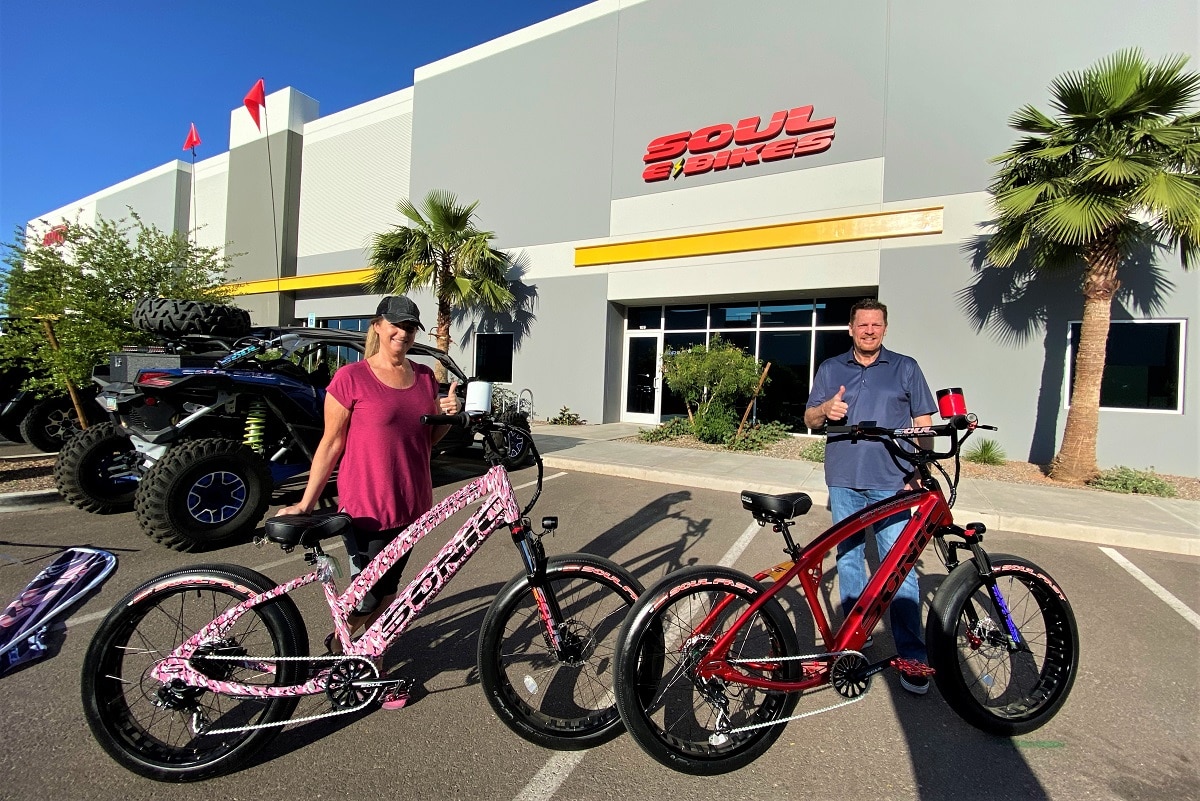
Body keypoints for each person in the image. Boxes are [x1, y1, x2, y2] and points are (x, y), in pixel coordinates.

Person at [276, 295, 461, 707]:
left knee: (390, 589)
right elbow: (330, 443)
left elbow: (425, 441)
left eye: (411, 327)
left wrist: (447, 416)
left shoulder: (425, 379)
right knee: (372, 593)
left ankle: (360, 651)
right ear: (377, 326)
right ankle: (347, 651)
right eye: (396, 325)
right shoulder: (352, 377)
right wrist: (307, 503)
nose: (403, 333)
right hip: (367, 504)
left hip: (413, 502)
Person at [804, 298, 936, 695]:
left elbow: (923, 423)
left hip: (892, 482)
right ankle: (852, 650)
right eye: (862, 325)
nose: (869, 331)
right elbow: (809, 418)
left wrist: (919, 469)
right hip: (844, 480)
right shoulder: (830, 368)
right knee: (849, 562)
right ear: (850, 329)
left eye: (876, 325)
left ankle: (913, 655)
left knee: (901, 568)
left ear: (884, 328)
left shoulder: (905, 367)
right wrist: (826, 408)